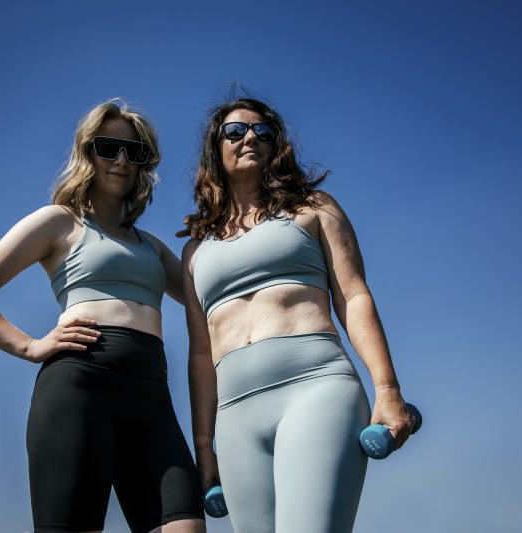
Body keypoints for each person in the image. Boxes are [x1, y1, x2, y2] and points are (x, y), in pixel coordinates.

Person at [0, 100, 206, 533]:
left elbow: (208, 299)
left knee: (186, 524)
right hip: (79, 389)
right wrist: (28, 346)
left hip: (152, 399)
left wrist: (215, 236)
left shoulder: (153, 246)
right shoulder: (59, 222)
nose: (121, 160)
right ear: (87, 152)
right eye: (108, 148)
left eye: (134, 151)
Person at [178, 97, 415, 532]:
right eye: (236, 131)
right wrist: (205, 446)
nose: (250, 137)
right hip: (235, 416)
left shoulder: (313, 209)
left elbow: (354, 297)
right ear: (215, 148)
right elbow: (199, 352)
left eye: (263, 131)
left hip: (315, 390)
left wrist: (387, 389)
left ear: (276, 146)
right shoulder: (195, 251)